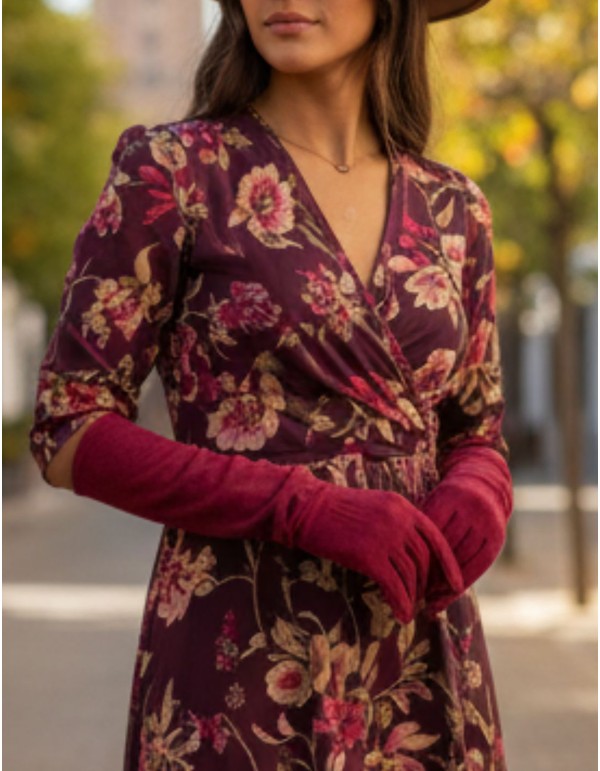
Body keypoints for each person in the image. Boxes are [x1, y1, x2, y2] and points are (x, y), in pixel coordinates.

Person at [30, 0, 514, 767]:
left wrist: (482, 490)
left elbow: (475, 428)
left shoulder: (456, 208)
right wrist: (301, 506)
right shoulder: (174, 171)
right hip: (239, 654)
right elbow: (69, 427)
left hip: (419, 656)